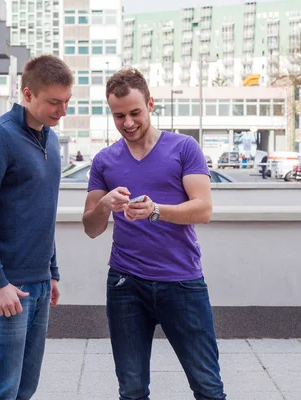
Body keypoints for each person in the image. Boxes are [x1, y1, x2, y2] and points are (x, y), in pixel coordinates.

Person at [82, 67, 226, 400]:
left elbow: (203, 209)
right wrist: (104, 203)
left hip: (181, 281)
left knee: (207, 384)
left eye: (135, 113)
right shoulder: (104, 161)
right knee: (131, 389)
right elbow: (91, 228)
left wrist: (155, 210)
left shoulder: (183, 148)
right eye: (119, 116)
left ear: (150, 103)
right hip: (125, 284)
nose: (128, 123)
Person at [0, 55, 73, 400]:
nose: (62, 111)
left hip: (38, 283)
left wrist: (51, 271)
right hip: (5, 285)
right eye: (54, 102)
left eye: (67, 102)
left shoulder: (51, 141)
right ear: (27, 94)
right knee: (0, 389)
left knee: (25, 387)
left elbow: (44, 211)